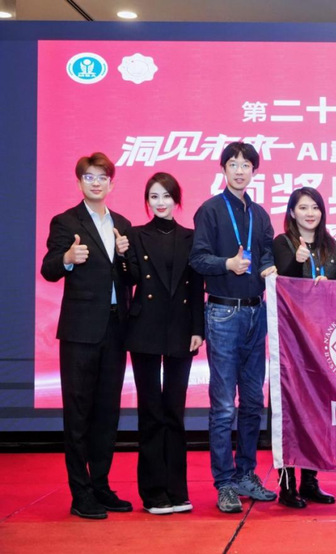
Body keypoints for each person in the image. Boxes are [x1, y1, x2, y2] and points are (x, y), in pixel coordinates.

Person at [40, 152, 133, 519]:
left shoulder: (122, 224)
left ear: (112, 183)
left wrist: (125, 257)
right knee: (79, 413)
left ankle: (101, 485)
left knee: (107, 413)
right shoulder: (66, 221)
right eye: (89, 177)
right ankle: (80, 493)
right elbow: (49, 269)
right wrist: (67, 257)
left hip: (116, 329)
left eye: (102, 177)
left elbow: (130, 278)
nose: (96, 183)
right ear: (79, 182)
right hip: (80, 332)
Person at [189, 142, 277, 513]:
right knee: (224, 405)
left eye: (246, 165)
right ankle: (224, 483)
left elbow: (268, 252)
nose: (240, 171)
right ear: (223, 169)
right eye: (233, 164)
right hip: (223, 313)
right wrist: (227, 264)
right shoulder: (210, 210)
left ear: (255, 171)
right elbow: (197, 259)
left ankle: (246, 475)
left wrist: (270, 266)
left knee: (254, 402)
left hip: (257, 313)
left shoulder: (260, 213)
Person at [123, 173, 204, 515]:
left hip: (181, 329)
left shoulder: (191, 237)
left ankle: (177, 490)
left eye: (166, 196)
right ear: (147, 201)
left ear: (176, 200)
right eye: (154, 196)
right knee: (151, 411)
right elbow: (127, 279)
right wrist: (121, 256)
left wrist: (198, 328)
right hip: (144, 329)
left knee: (174, 409)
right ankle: (154, 492)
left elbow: (196, 287)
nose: (160, 202)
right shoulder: (134, 235)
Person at [272, 187, 336, 508]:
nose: (310, 213)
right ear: (292, 212)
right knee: (290, 408)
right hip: (291, 340)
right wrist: (294, 263)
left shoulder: (331, 246)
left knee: (318, 409)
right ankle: (287, 486)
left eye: (315, 207)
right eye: (303, 207)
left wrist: (330, 288)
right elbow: (279, 285)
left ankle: (311, 481)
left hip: (323, 340)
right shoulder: (282, 243)